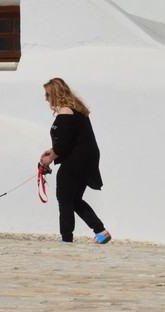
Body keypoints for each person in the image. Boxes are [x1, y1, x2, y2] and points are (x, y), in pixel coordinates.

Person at [38, 77, 112, 244]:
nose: (46, 99)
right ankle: (101, 232)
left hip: (76, 160)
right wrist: (52, 152)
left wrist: (49, 159)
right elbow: (71, 140)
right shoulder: (76, 109)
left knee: (64, 197)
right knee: (74, 199)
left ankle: (66, 239)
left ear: (55, 94)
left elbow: (64, 144)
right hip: (83, 158)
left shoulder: (66, 112)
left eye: (47, 95)